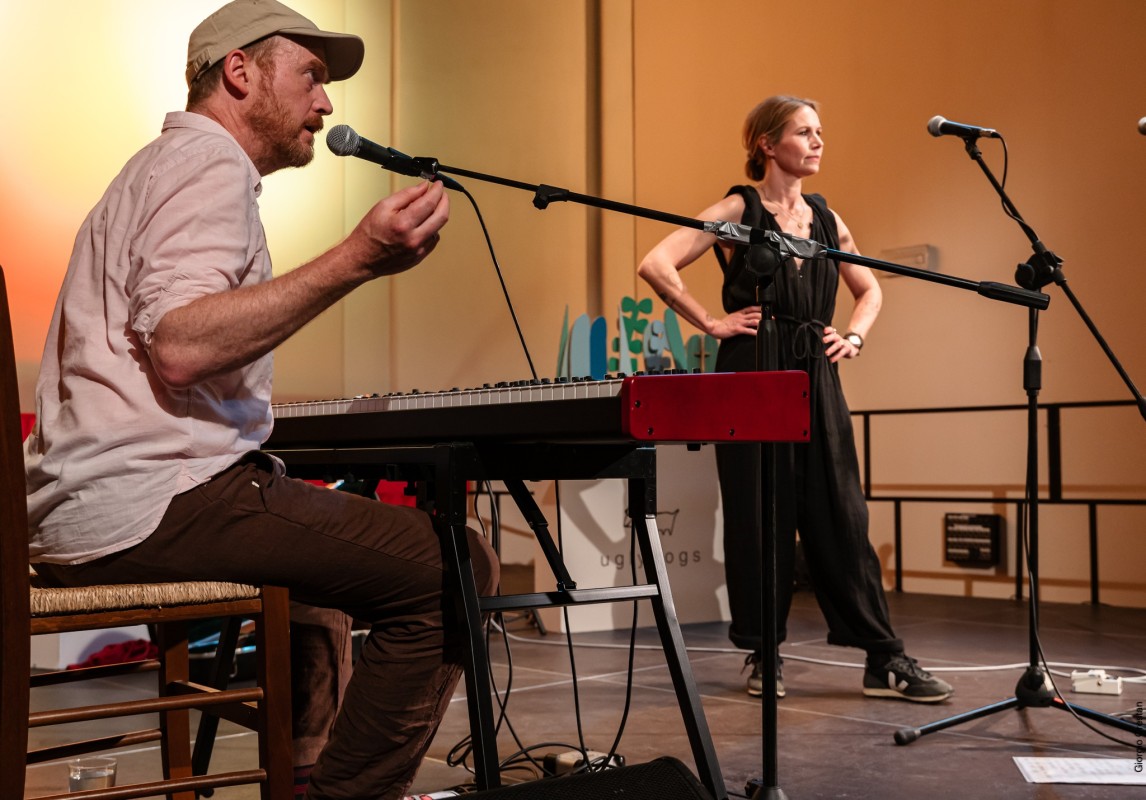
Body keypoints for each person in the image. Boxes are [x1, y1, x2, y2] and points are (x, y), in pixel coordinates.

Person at [23, 1, 498, 798]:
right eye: (310, 75)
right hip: (151, 504)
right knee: (458, 565)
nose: (326, 102)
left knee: (323, 579)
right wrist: (356, 258)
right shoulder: (208, 166)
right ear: (239, 72)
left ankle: (305, 769)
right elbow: (180, 346)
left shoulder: (155, 168)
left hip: (87, 504)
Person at [637, 95, 951, 704]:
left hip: (814, 369)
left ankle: (882, 655)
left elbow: (870, 290)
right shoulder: (740, 209)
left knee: (842, 511)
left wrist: (853, 335)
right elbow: (657, 262)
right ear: (766, 144)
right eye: (804, 131)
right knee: (761, 510)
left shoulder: (829, 222)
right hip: (754, 369)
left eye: (820, 132)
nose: (817, 141)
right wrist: (711, 321)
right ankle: (765, 651)